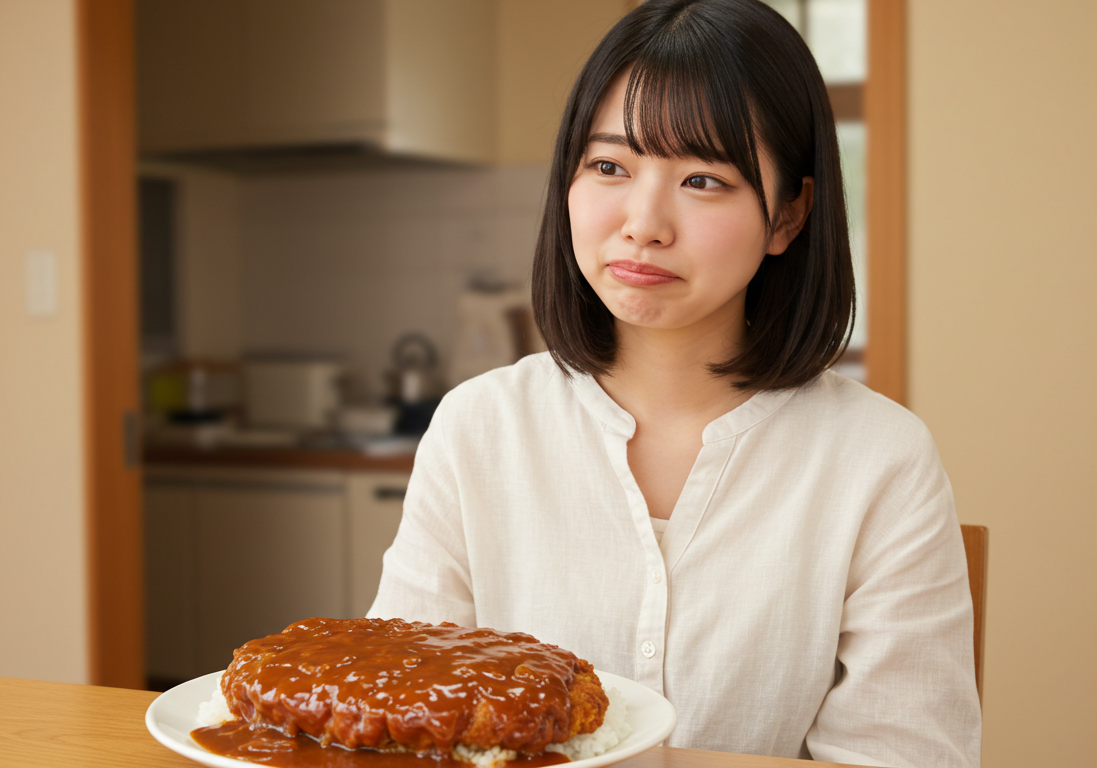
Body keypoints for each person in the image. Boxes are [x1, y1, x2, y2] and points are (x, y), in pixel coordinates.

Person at [368, 1, 982, 765]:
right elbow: (394, 711)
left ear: (789, 214)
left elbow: (904, 754)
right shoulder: (480, 427)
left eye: (701, 178)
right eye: (609, 167)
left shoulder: (879, 459)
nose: (644, 222)